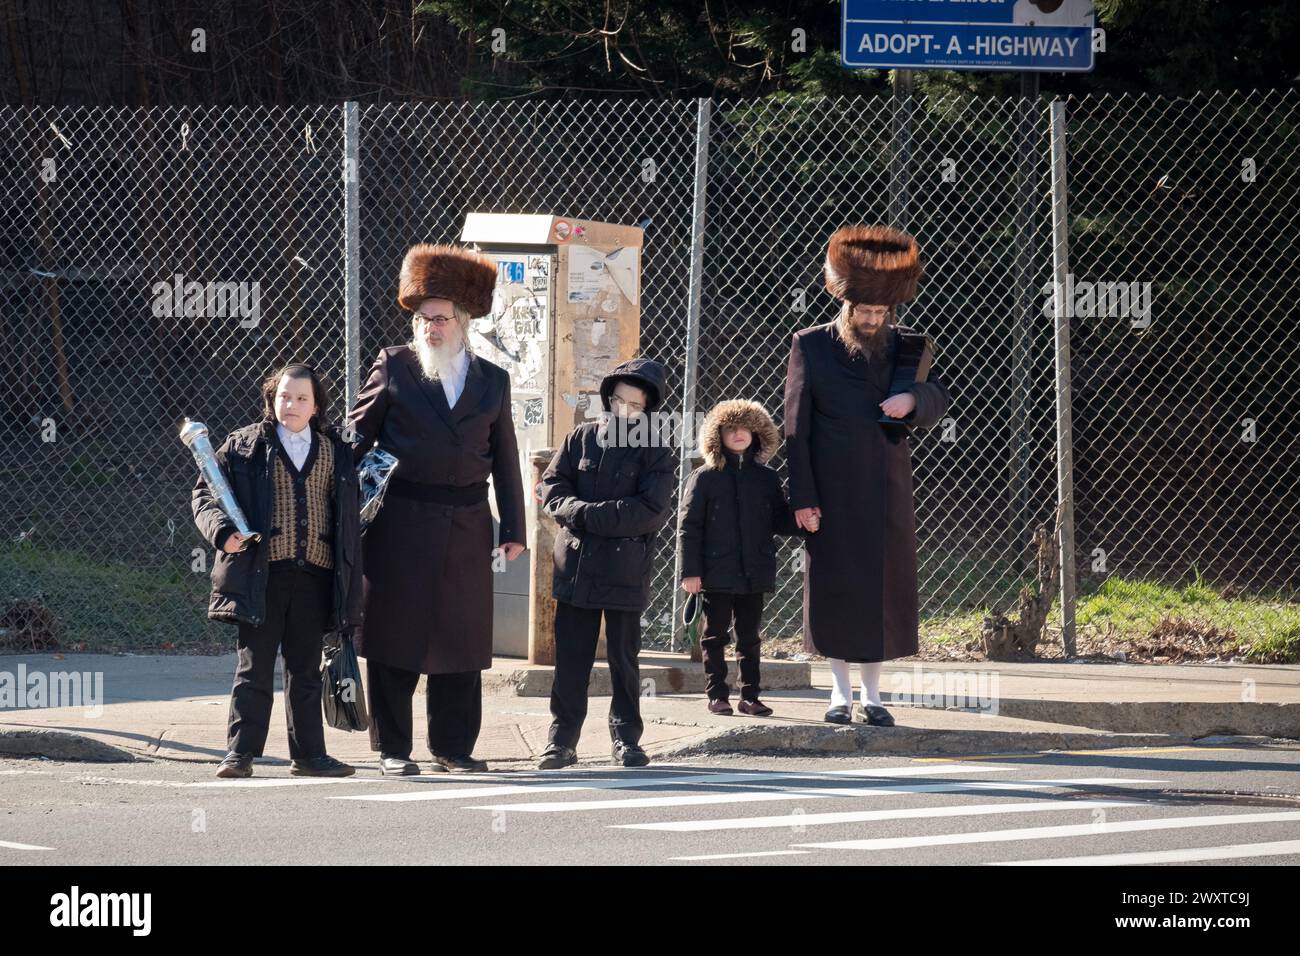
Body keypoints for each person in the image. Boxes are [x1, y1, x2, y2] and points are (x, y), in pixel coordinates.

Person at [346, 243, 526, 775]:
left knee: (460, 638)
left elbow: (506, 457)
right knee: (394, 635)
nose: (431, 328)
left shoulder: (493, 380)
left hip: (468, 522)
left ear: (463, 322)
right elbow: (355, 436)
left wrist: (512, 524)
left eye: (441, 319)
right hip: (400, 521)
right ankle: (393, 749)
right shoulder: (394, 367)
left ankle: (453, 747)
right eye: (424, 319)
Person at [783, 224, 951, 726]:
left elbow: (938, 397)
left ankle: (874, 697)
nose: (875, 320)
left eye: (882, 312)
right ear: (846, 305)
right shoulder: (810, 346)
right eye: (866, 312)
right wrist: (803, 499)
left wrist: (912, 400)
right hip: (830, 490)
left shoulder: (905, 347)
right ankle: (838, 695)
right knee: (836, 586)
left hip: (886, 489)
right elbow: (795, 429)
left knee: (881, 588)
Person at [192, 363, 362, 779]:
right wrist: (223, 533)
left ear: (316, 404)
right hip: (260, 575)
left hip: (316, 577)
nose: (292, 404)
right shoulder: (244, 445)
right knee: (254, 668)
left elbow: (348, 513)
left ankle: (309, 756)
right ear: (272, 398)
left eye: (302, 398)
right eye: (284, 396)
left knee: (305, 669)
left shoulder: (335, 449)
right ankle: (239, 754)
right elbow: (205, 493)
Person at [537, 357, 675, 769]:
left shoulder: (656, 448)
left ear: (648, 408)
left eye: (635, 404)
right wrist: (579, 510)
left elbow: (651, 509)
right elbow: (552, 486)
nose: (625, 410)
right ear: (607, 398)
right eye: (619, 400)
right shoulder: (581, 437)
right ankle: (561, 741)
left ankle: (626, 739)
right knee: (571, 659)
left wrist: (586, 514)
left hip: (624, 568)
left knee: (624, 659)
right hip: (575, 567)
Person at [676, 399, 804, 716]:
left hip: (754, 571)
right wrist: (690, 572)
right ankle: (717, 694)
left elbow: (779, 519)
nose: (738, 434)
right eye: (730, 428)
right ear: (717, 435)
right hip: (715, 572)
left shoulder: (766, 478)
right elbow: (688, 527)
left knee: (750, 637)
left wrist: (805, 521)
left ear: (757, 433)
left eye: (745, 428)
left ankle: (750, 696)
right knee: (714, 636)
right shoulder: (704, 478)